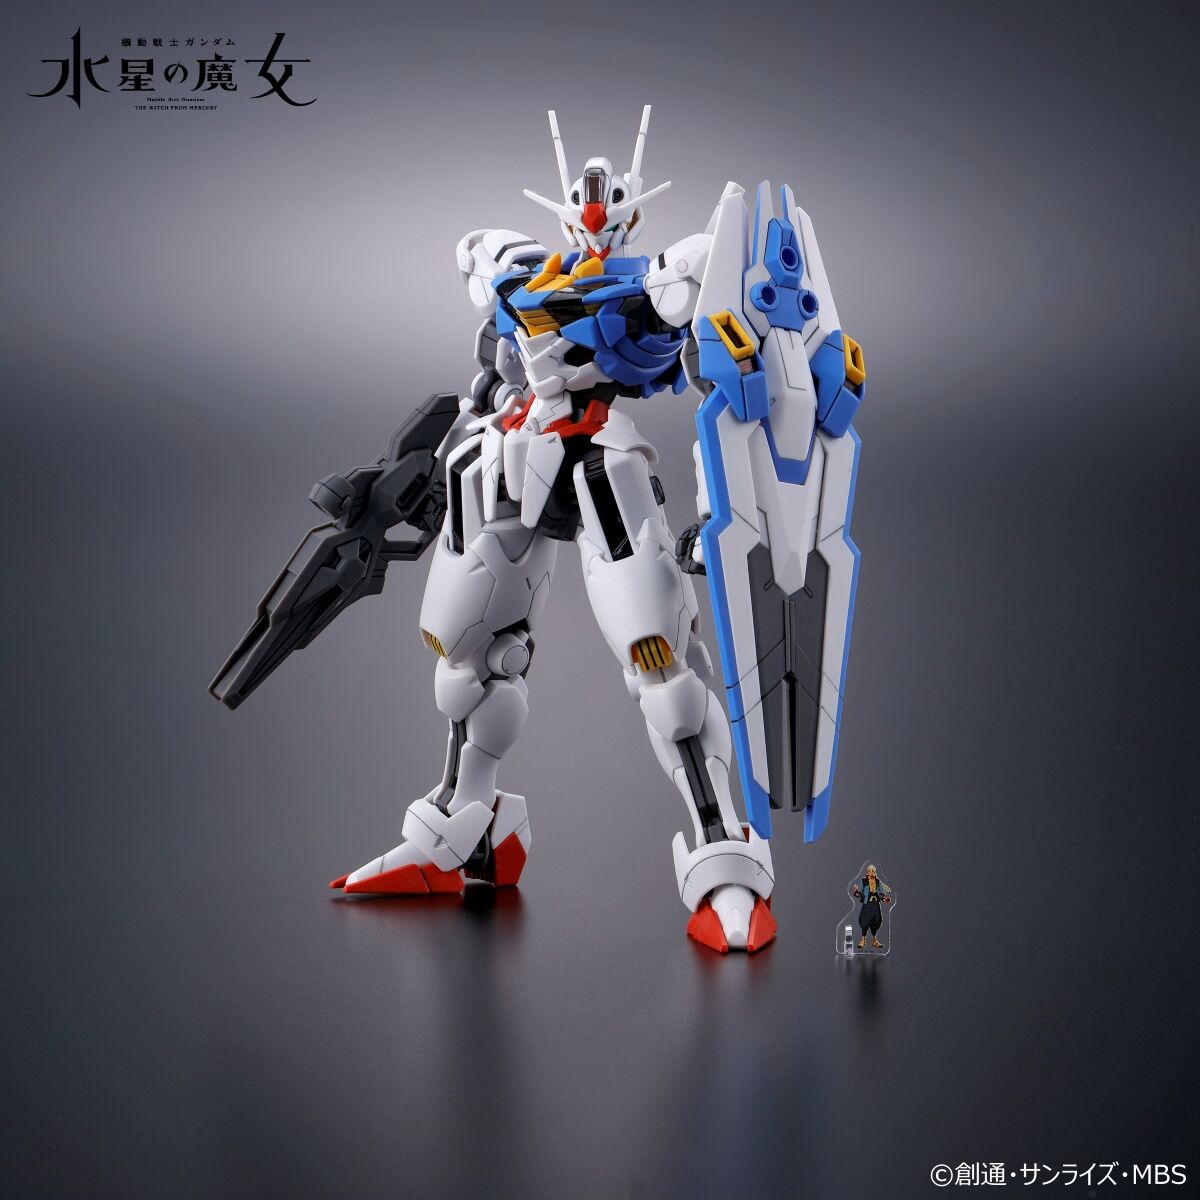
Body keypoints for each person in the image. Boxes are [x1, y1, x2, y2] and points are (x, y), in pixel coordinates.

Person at [851, 864, 893, 950]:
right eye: (869, 871)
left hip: (875, 904)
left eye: (873, 871)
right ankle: (863, 940)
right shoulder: (864, 881)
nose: (871, 872)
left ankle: (874, 940)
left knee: (877, 920)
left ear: (875, 872)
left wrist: (884, 899)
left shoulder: (877, 881)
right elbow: (860, 894)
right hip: (867, 904)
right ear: (867, 872)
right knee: (865, 920)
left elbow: (881, 893)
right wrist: (856, 892)